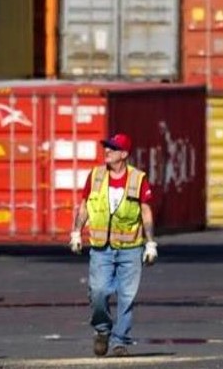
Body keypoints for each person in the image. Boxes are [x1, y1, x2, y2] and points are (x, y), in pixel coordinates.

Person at [69, 132, 159, 357]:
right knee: (98, 292)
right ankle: (102, 330)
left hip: (130, 248)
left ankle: (120, 341)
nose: (107, 151)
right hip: (101, 247)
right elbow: (84, 206)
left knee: (127, 296)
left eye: (112, 148)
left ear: (124, 154)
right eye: (106, 147)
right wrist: (76, 232)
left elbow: (145, 211)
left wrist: (151, 244)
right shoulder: (96, 176)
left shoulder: (138, 179)